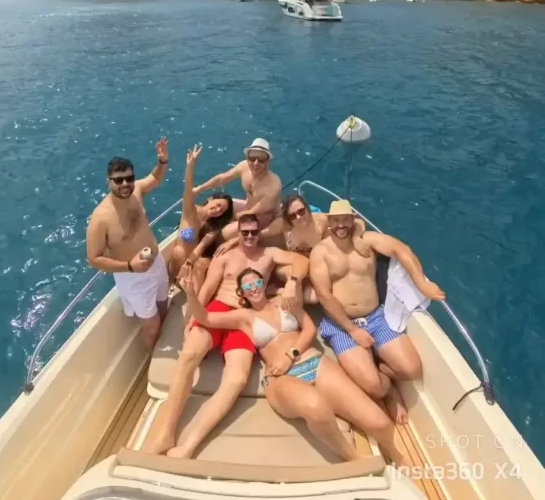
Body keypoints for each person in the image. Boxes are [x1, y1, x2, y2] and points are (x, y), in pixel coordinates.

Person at [180, 265, 406, 465]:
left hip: (312, 361)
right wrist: (191, 294)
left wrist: (292, 353)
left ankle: (399, 457)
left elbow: (309, 328)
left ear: (264, 283)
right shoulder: (243, 317)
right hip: (280, 378)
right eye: (248, 286)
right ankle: (353, 457)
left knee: (379, 423)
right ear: (242, 293)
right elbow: (206, 318)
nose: (254, 288)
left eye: (257, 282)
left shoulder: (283, 304)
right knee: (316, 407)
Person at [150, 212, 308, 459]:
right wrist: (192, 318)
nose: (249, 237)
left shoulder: (268, 255)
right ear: (238, 234)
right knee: (190, 355)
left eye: (253, 232)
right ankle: (166, 433)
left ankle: (189, 445)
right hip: (218, 309)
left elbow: (300, 261)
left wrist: (292, 281)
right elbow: (208, 289)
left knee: (236, 379)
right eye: (243, 232)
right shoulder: (226, 256)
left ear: (259, 232)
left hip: (245, 318)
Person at [310, 200, 445, 423]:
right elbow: (324, 295)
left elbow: (400, 249)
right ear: (330, 222)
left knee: (412, 370)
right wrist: (352, 329)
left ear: (353, 219)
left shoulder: (367, 240)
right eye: (336, 220)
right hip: (342, 325)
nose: (341, 225)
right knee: (373, 386)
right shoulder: (321, 252)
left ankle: (379, 364)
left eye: (345, 219)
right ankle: (390, 391)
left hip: (376, 316)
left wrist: (422, 283)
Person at [86, 138, 170, 350]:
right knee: (151, 327)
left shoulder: (137, 191)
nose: (125, 184)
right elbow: (93, 258)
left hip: (156, 264)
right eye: (119, 180)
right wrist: (130, 266)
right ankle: (152, 360)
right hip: (133, 278)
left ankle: (162, 349)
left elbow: (155, 178)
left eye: (129, 178)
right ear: (109, 181)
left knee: (163, 307)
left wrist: (162, 160)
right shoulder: (100, 218)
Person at [216, 192, 371, 302]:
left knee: (314, 298)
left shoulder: (321, 221)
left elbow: (357, 222)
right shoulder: (283, 225)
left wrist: (356, 238)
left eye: (301, 211)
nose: (298, 217)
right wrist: (234, 241)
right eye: (292, 215)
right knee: (300, 287)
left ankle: (274, 292)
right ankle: (281, 295)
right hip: (291, 266)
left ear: (307, 208)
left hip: (314, 267)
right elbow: (257, 234)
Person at [169, 144, 234, 289]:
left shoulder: (213, 225)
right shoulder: (191, 210)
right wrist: (190, 165)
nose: (217, 210)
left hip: (194, 259)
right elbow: (188, 189)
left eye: (222, 210)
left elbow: (202, 246)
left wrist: (189, 263)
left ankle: (193, 303)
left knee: (195, 260)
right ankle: (175, 283)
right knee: (178, 251)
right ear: (210, 199)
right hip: (179, 261)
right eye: (217, 204)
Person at [192, 137, 281, 236]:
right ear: (247, 157)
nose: (256, 163)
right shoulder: (244, 167)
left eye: (261, 159)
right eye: (252, 158)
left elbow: (253, 212)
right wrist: (200, 188)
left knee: (226, 233)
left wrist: (232, 217)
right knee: (222, 207)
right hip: (248, 207)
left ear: (267, 160)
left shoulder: (274, 184)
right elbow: (222, 178)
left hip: (266, 216)